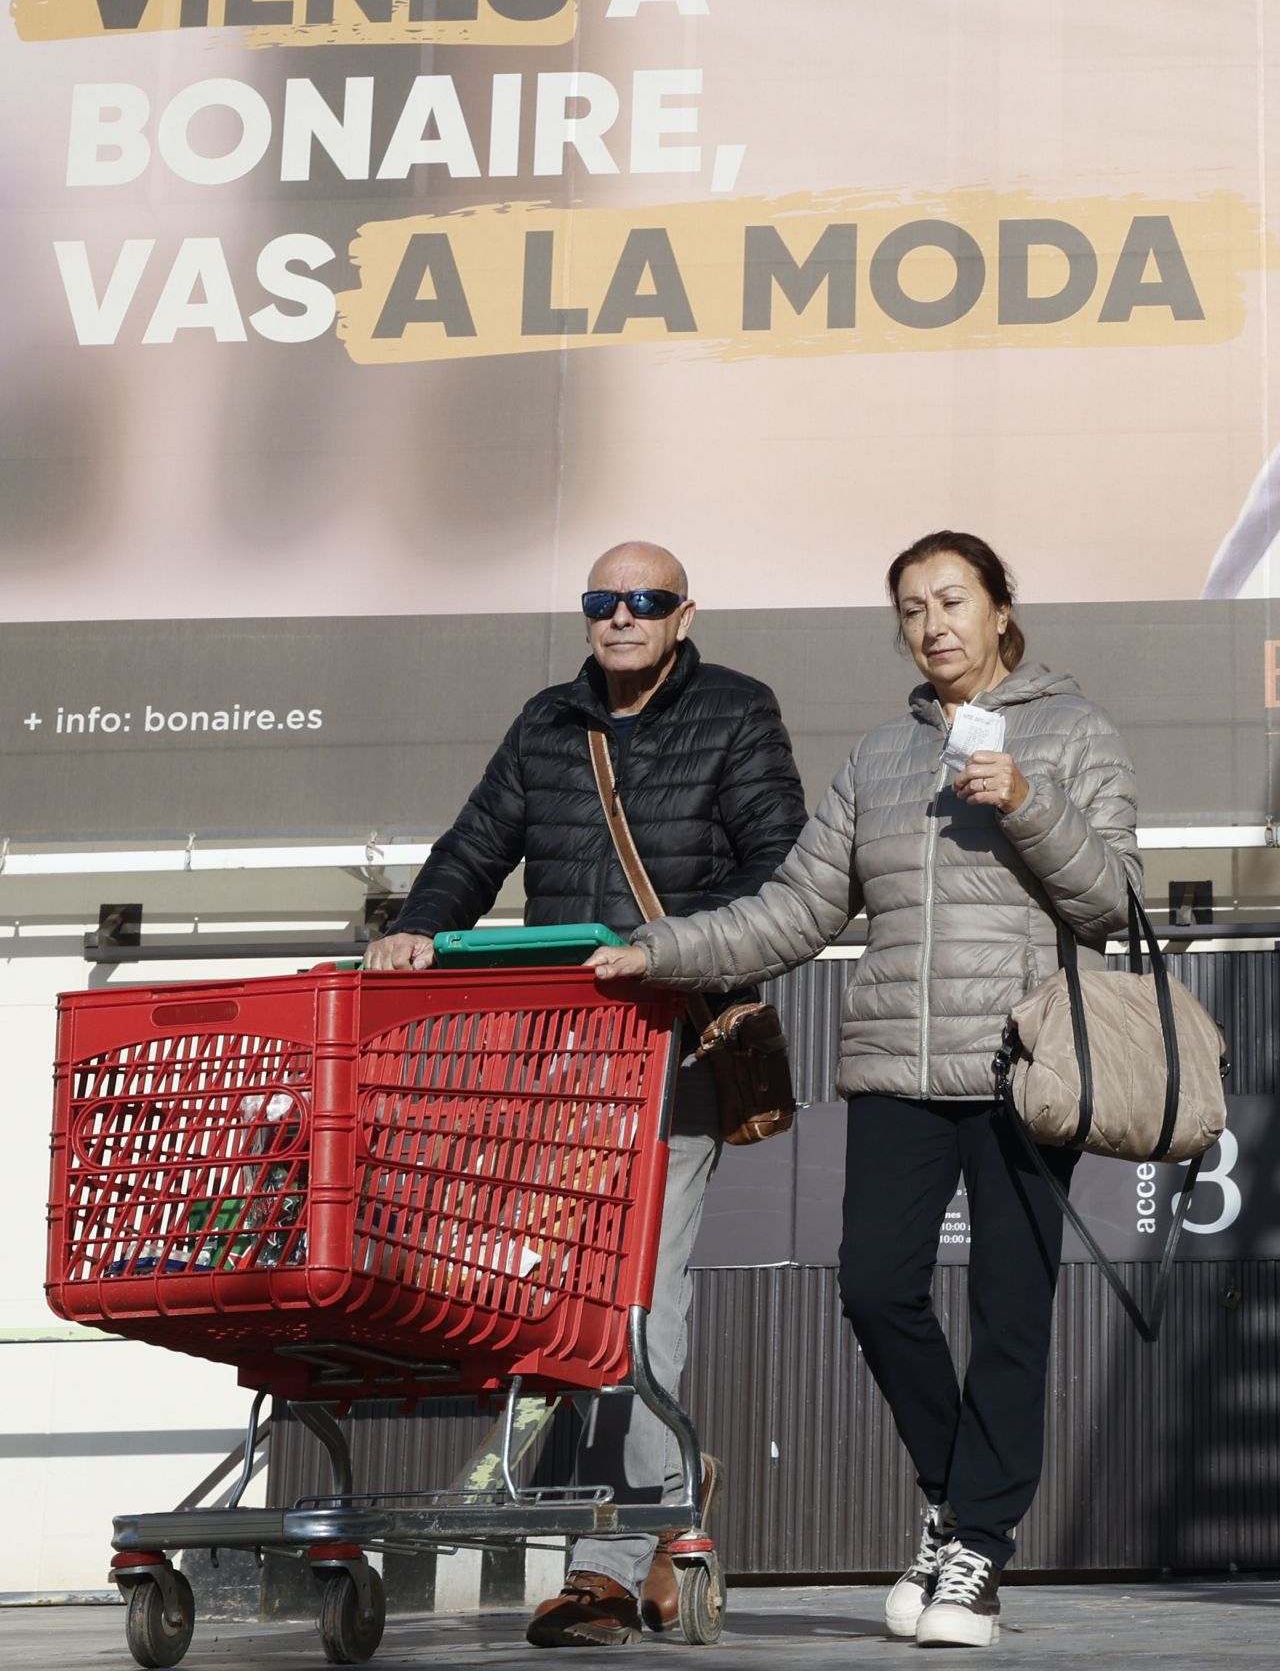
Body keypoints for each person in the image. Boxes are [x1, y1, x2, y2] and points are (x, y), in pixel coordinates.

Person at [590, 529, 1140, 1650]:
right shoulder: (880, 758)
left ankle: (975, 1551)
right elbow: (793, 909)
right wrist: (660, 950)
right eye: (909, 608)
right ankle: (955, 1504)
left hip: (1024, 1065)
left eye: (950, 601)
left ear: (998, 609)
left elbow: (1113, 905)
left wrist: (1029, 801)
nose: (930, 624)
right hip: (895, 1064)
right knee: (876, 1289)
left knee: (1006, 1315)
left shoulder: (1073, 733)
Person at [367, 539, 807, 1648]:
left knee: (633, 1302)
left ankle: (605, 1564)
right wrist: (417, 924)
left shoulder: (736, 713)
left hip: (674, 1048)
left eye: (644, 600)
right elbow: (477, 846)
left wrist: (663, 951)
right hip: (565, 1064)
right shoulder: (547, 722)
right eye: (602, 600)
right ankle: (667, 1485)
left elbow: (779, 873)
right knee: (569, 1310)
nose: (621, 616)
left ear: (682, 612)